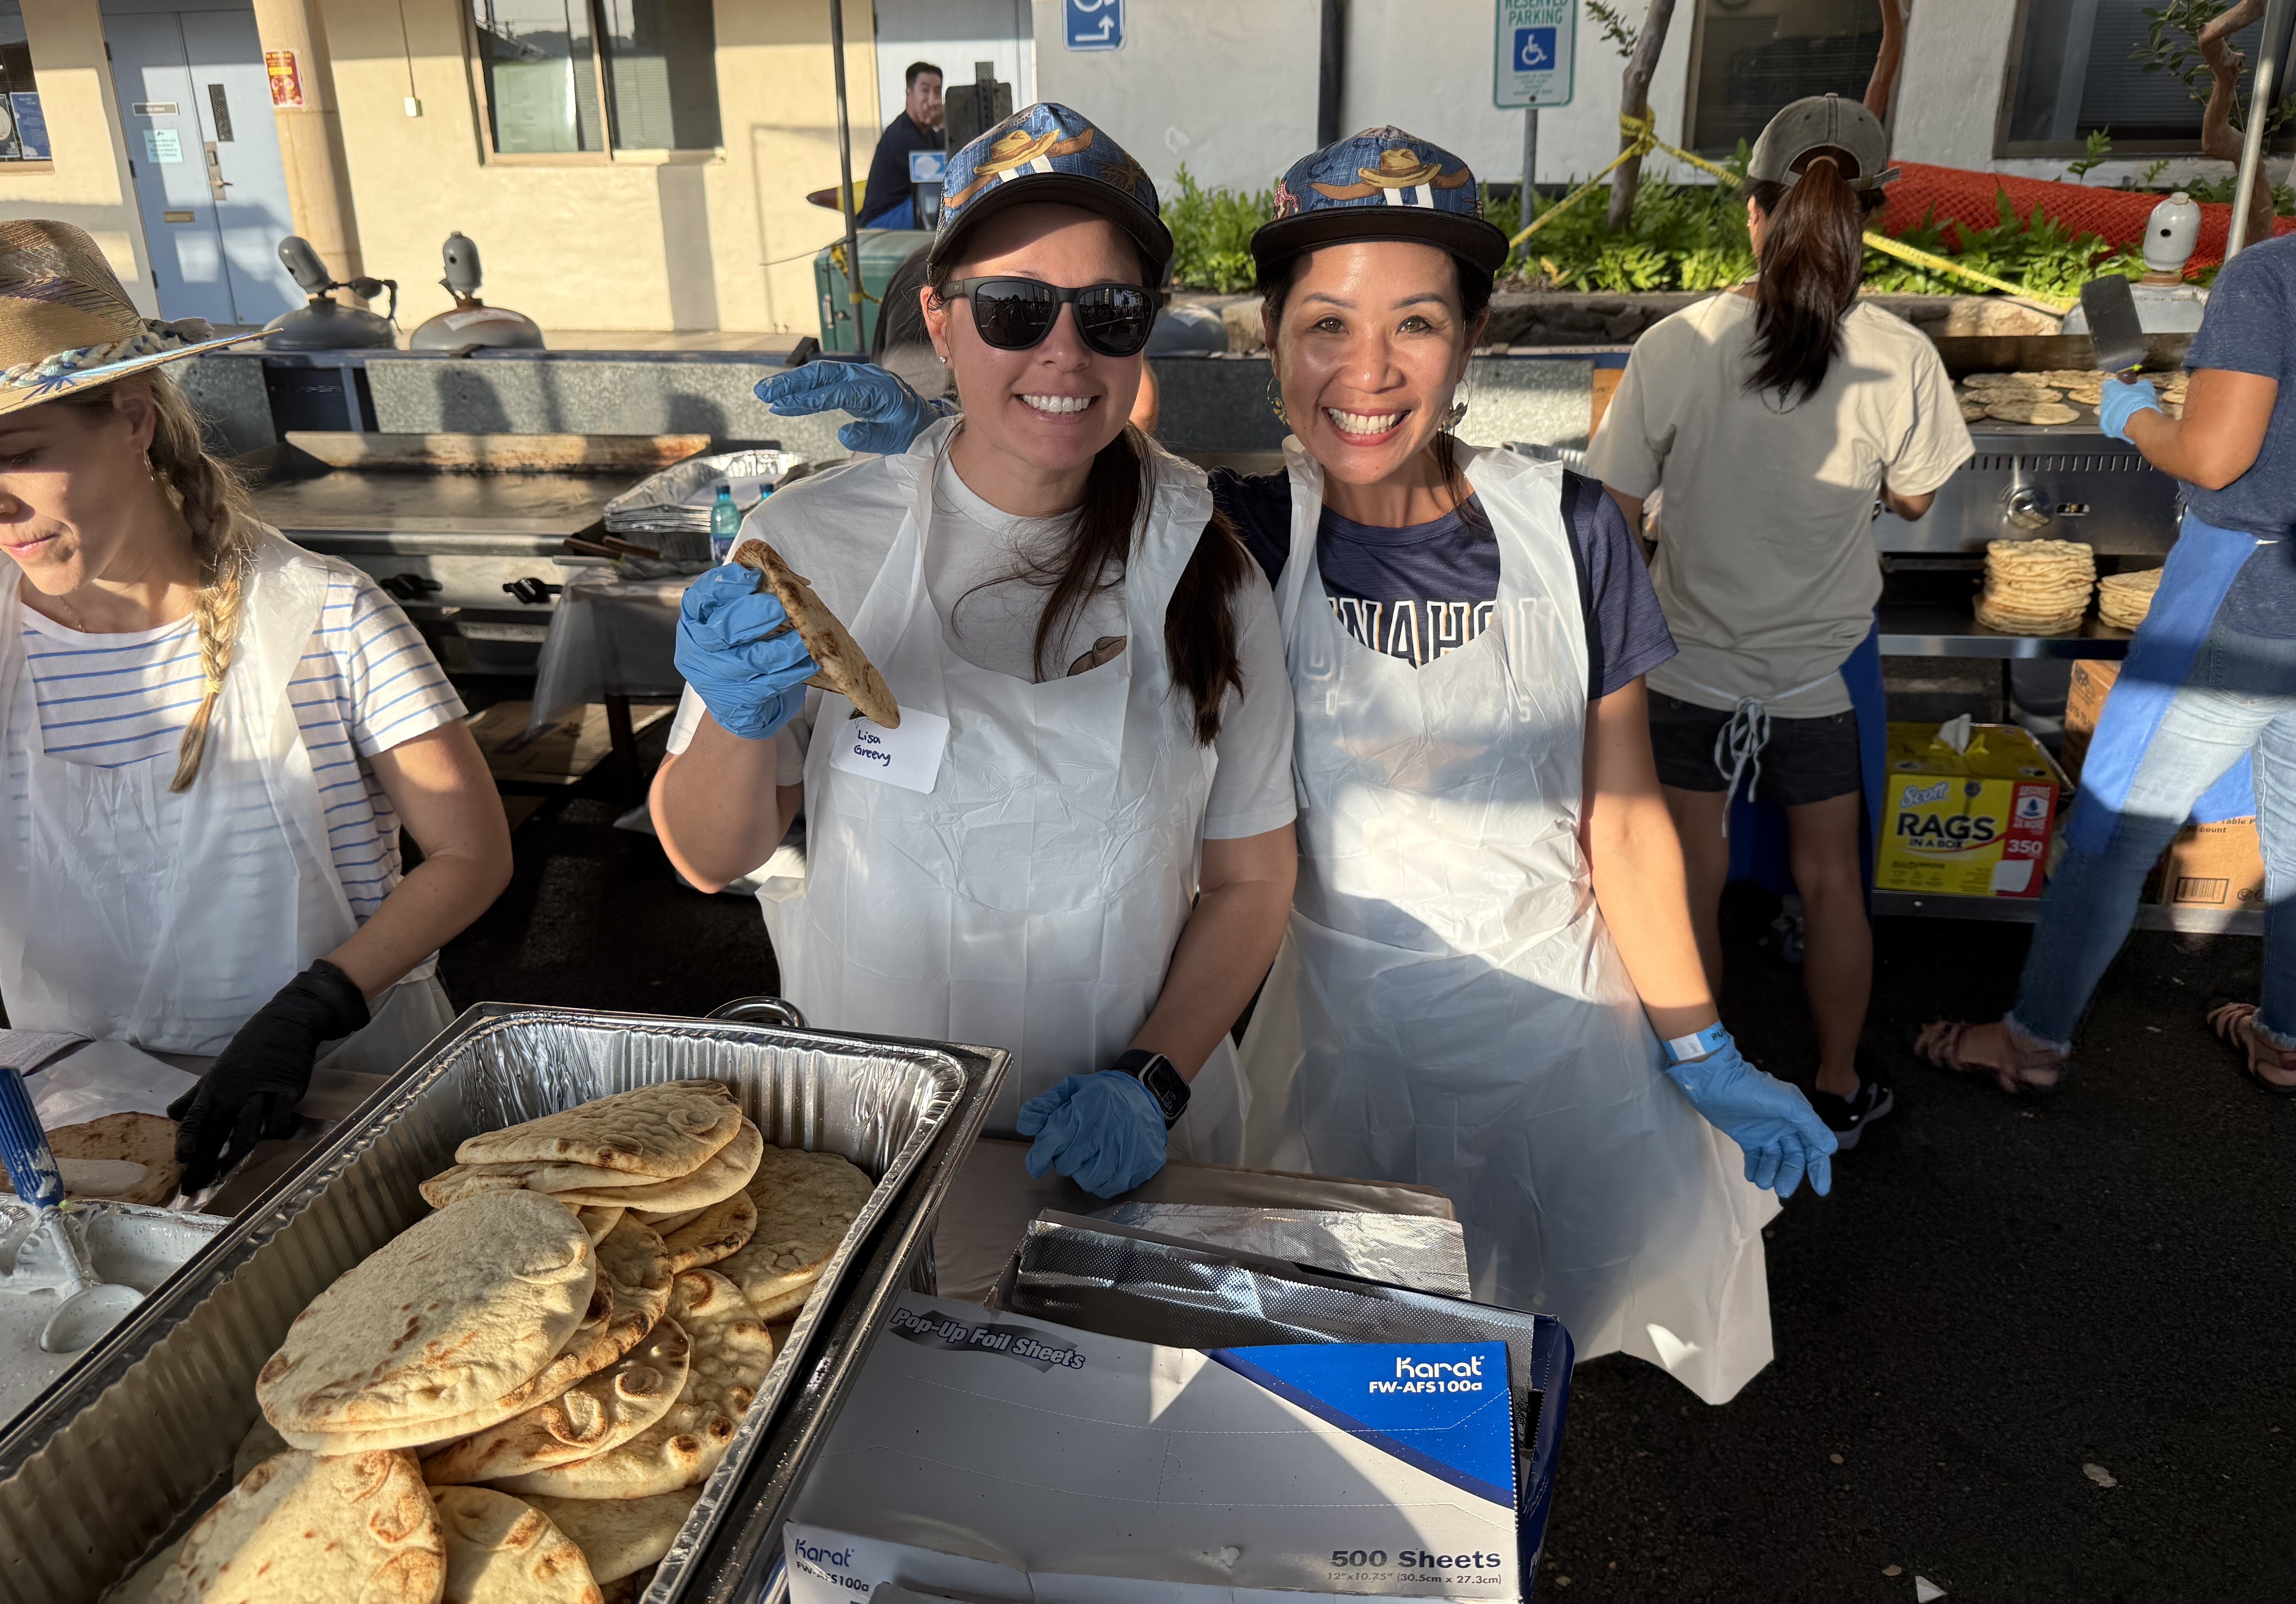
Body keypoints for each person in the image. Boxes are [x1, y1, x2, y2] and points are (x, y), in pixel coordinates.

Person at [786, 128, 1838, 1403]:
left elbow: (1621, 826)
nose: (1367, 371)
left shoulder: (1570, 533)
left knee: (1528, 1391)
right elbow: (1075, 458)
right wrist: (937, 446)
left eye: (1416, 325)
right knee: (1345, 1410)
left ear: (1470, 344)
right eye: (1325, 326)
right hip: (1336, 1082)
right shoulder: (1241, 533)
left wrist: (1700, 1048)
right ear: (1273, 344)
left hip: (1562, 1060)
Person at [651, 104, 1298, 1197]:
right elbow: (708, 853)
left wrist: (1153, 1078)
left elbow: (1250, 875)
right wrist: (731, 717)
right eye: (1012, 309)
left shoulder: (1209, 565)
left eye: (1108, 311)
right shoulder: (811, 542)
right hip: (863, 1145)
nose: (1063, 350)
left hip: (1119, 1158)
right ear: (944, 325)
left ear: (1144, 334)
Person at [0, 220, 512, 1191]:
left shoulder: (322, 615)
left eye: (12, 453)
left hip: (333, 1087)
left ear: (132, 420)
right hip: (92, 1110)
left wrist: (312, 1008)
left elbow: (471, 854)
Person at [1585, 94, 1973, 1147]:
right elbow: (1920, 498)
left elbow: (1610, 518)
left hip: (1684, 668)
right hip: (1818, 678)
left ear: (1754, 216)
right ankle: (1839, 1088)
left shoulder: (1680, 344)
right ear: (1868, 219)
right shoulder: (1900, 356)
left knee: (1690, 879)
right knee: (1832, 881)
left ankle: (1699, 1101)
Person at [1917, 233, 2296, 1094]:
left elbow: (2214, 456)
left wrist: (2134, 416)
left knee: (2112, 831)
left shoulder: (2271, 277)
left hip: (2243, 604)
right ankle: (2284, 1042)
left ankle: (2031, 1043)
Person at [861, 62, 945, 230]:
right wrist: (943, 124)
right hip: (883, 219)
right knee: (937, 201)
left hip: (903, 211)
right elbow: (940, 174)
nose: (933, 100)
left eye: (937, 92)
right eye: (925, 91)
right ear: (909, 94)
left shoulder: (928, 133)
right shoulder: (903, 134)